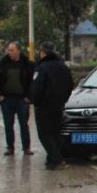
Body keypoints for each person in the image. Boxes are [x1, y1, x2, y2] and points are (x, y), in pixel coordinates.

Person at [30, 42, 73, 171]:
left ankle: (57, 159)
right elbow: (70, 85)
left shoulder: (42, 68)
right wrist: (63, 100)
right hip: (59, 105)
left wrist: (35, 101)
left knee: (44, 134)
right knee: (55, 133)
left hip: (44, 106)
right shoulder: (63, 67)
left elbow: (37, 87)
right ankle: (51, 160)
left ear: (43, 53)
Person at [0, 41, 34, 156]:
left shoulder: (27, 64)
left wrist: (29, 97)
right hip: (7, 100)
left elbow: (32, 82)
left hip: (22, 100)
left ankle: (26, 147)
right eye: (9, 50)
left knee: (24, 125)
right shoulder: (3, 63)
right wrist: (0, 95)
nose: (9, 52)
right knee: (8, 125)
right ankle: (10, 147)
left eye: (12, 50)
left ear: (18, 51)